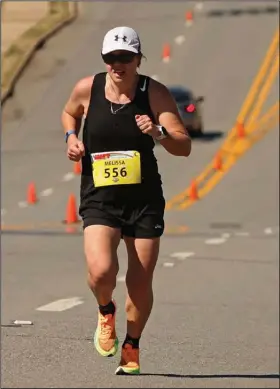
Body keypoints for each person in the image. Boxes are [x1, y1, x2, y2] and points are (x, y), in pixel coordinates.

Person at [61, 26, 191, 375]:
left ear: (137, 58)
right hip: (99, 196)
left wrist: (158, 132)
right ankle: (106, 311)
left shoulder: (155, 94)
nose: (118, 64)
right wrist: (72, 137)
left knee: (139, 280)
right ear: (104, 60)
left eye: (125, 58)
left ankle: (132, 345)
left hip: (143, 199)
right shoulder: (88, 88)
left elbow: (184, 145)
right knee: (102, 270)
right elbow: (69, 112)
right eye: (111, 58)